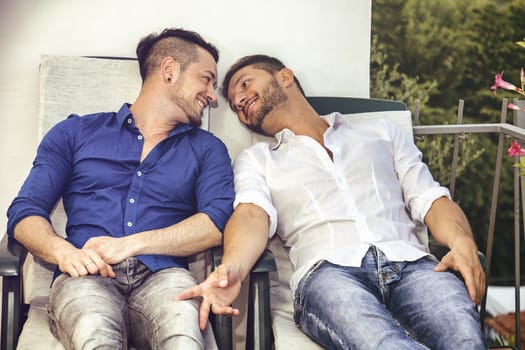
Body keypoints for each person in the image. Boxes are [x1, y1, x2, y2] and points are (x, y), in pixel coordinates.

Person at [176, 54, 488, 349]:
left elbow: (431, 198)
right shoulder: (258, 159)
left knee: (465, 341)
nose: (241, 100)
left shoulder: (381, 133)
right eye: (236, 104)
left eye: (245, 83)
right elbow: (250, 216)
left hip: (413, 266)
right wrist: (232, 269)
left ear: (285, 77)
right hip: (328, 275)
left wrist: (462, 243)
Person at [6, 28, 234, 350]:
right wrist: (64, 253)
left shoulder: (208, 149)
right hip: (85, 279)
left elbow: (218, 223)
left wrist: (131, 245)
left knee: (183, 340)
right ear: (169, 71)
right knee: (95, 335)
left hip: (165, 276)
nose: (212, 95)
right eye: (206, 79)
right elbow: (24, 211)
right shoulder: (75, 133)